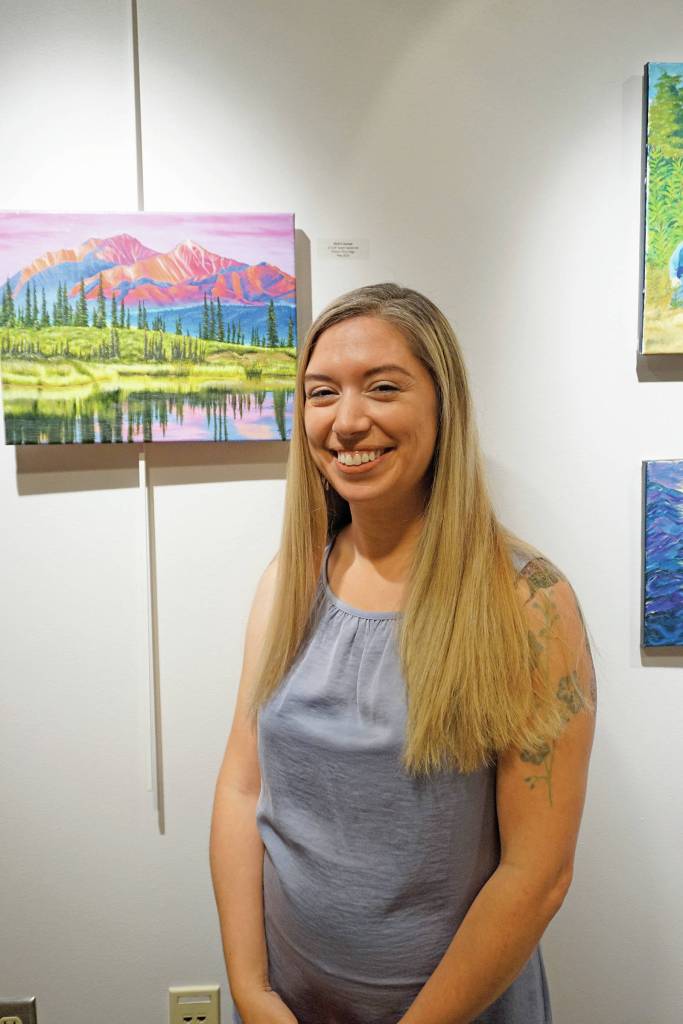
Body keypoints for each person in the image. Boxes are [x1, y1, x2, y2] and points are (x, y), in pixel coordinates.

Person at [209, 283, 596, 1024]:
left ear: (440, 405)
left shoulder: (527, 603)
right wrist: (252, 993)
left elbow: (536, 873)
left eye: (382, 388)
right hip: (286, 1004)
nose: (347, 421)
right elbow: (240, 789)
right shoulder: (286, 581)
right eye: (322, 393)